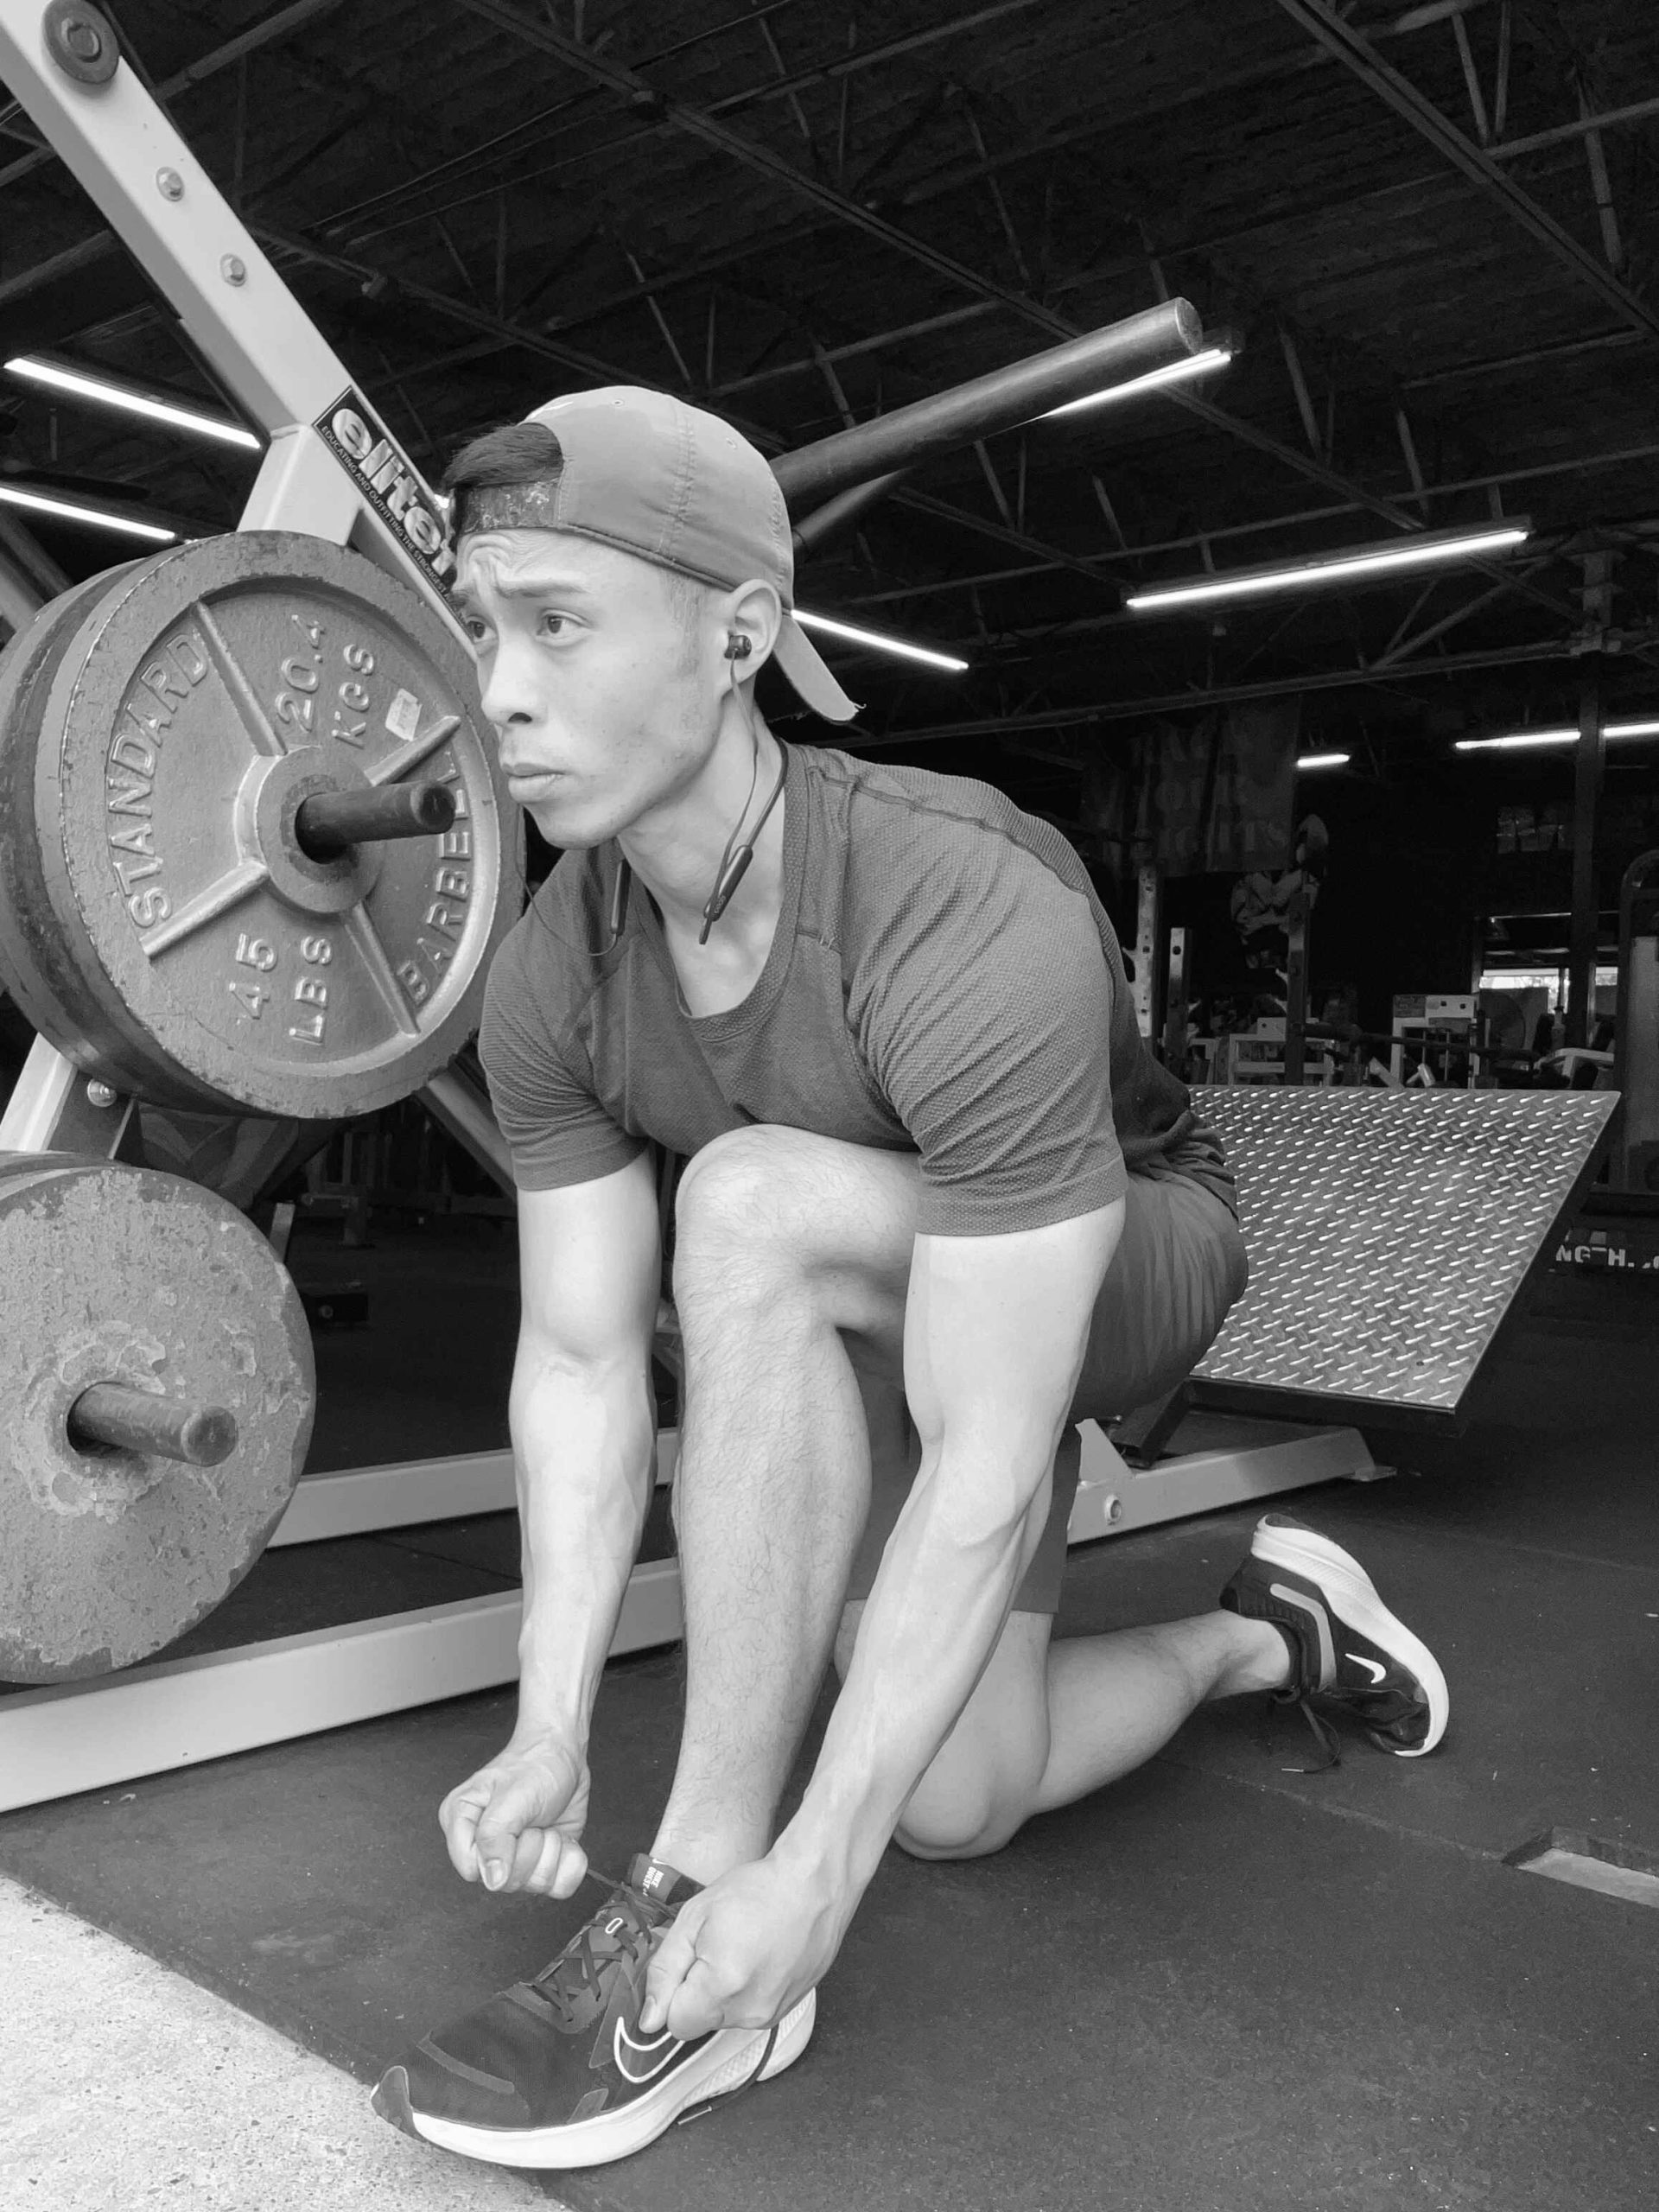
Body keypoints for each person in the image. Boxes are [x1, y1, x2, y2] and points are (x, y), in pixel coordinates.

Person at [372, 387, 1448, 2172]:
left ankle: (689, 1933)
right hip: (867, 1268)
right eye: (489, 627)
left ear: (739, 638)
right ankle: (1273, 1630)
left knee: (744, 1206)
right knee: (955, 1798)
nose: (497, 689)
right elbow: (573, 1357)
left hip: (1113, 1246)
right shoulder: (558, 961)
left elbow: (991, 1435)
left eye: (557, 625)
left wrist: (806, 1869)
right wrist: (547, 1718)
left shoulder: (956, 896)